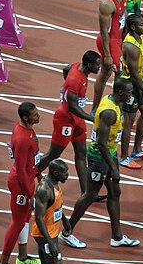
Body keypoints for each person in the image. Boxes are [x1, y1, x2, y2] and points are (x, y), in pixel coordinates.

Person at [61, 78, 140, 248]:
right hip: (99, 158)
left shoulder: (113, 101)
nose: (130, 95)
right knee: (89, 195)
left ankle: (117, 237)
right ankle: (67, 232)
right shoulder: (109, 112)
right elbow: (100, 143)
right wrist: (113, 167)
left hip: (109, 154)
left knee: (114, 192)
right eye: (128, 92)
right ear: (120, 92)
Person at [38, 50, 101, 197]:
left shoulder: (78, 67)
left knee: (81, 153)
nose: (99, 68)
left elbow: (66, 68)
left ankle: (86, 192)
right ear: (90, 65)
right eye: (97, 65)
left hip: (76, 120)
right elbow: (72, 107)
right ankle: (30, 176)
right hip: (65, 120)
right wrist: (92, 118)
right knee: (53, 154)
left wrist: (64, 82)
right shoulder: (75, 80)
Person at [0, 102, 42, 264]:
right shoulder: (22, 139)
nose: (38, 117)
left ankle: (22, 257)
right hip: (20, 185)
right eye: (35, 115)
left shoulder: (28, 129)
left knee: (24, 219)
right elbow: (21, 169)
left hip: (28, 180)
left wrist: (38, 175)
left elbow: (32, 158)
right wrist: (30, 193)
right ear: (25, 117)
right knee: (17, 222)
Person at [31, 158, 70, 264]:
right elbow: (38, 218)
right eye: (65, 173)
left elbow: (54, 206)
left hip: (51, 232)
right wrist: (51, 242)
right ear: (55, 173)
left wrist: (65, 219)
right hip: (45, 236)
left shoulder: (55, 183)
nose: (67, 175)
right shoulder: (43, 189)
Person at [91, 0, 131, 114]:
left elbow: (121, 18)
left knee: (105, 73)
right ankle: (116, 109)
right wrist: (107, 55)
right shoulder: (107, 3)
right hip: (109, 41)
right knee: (120, 73)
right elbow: (104, 31)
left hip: (118, 39)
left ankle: (95, 108)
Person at [119, 14, 143, 169]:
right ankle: (124, 157)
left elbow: (140, 70)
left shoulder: (141, 37)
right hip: (129, 86)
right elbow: (133, 74)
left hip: (140, 80)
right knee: (128, 122)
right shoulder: (130, 46)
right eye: (141, 25)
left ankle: (137, 149)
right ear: (133, 28)